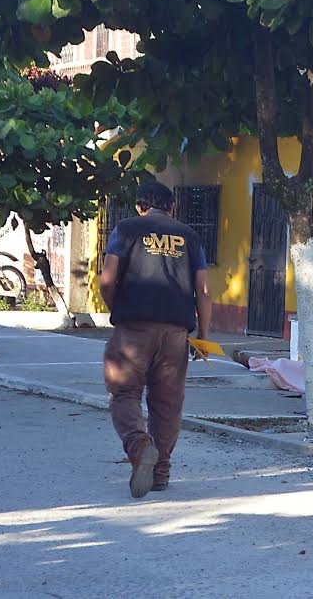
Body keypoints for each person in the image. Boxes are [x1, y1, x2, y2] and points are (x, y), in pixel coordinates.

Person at [100, 182, 212, 498]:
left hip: (133, 329)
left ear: (139, 206)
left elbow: (107, 280)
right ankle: (160, 472)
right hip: (176, 332)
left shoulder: (125, 229)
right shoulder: (189, 236)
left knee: (123, 392)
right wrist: (203, 336)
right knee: (167, 403)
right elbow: (203, 291)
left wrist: (118, 308)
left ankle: (139, 446)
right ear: (172, 207)